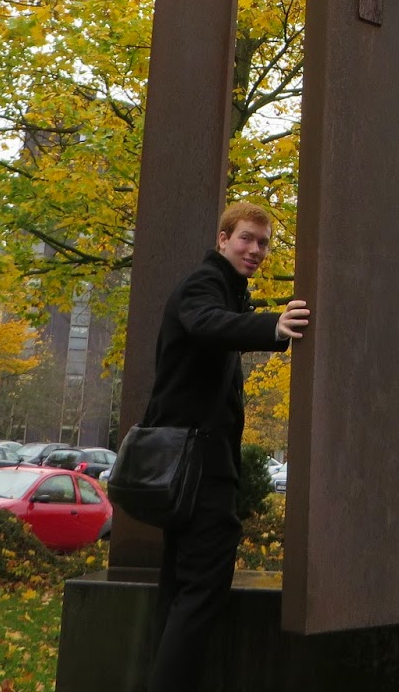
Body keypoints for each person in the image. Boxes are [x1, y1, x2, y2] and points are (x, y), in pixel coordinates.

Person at [144, 202, 311, 692]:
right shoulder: (204, 284)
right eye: (246, 238)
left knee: (179, 589)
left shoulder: (228, 290)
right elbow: (206, 322)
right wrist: (273, 326)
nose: (256, 250)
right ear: (222, 240)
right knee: (202, 589)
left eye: (263, 243)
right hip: (198, 468)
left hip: (188, 466)